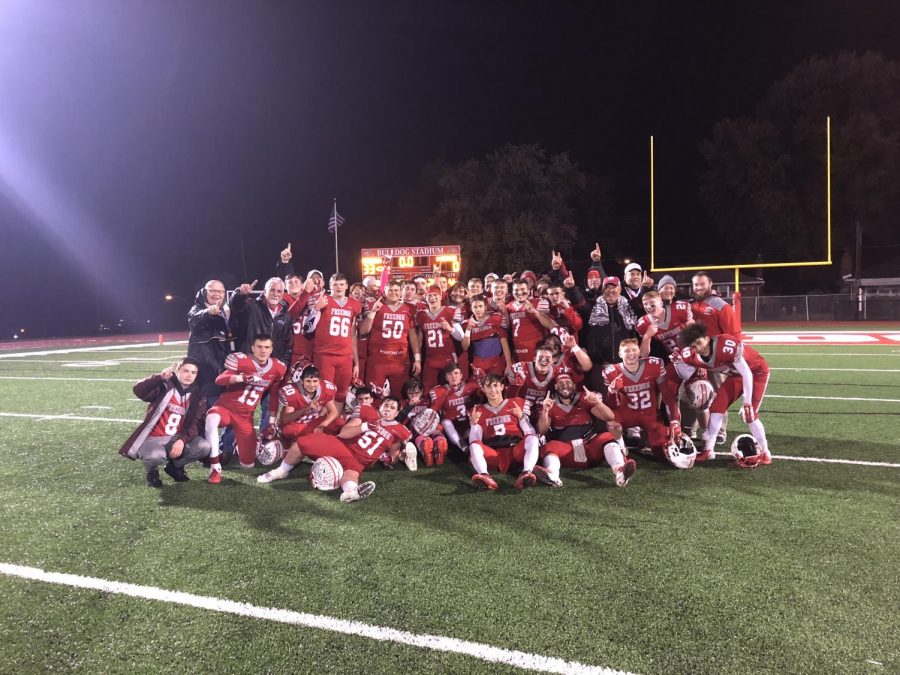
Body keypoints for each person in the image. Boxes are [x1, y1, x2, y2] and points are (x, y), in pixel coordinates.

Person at [257, 397, 412, 502]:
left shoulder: (400, 430)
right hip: (341, 447)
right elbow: (344, 433)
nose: (388, 409)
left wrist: (393, 458)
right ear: (380, 406)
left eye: (392, 408)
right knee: (303, 442)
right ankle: (281, 471)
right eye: (386, 405)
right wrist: (365, 426)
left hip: (359, 462)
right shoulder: (367, 412)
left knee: (351, 475)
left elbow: (393, 454)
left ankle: (351, 493)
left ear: (397, 413)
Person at [676, 324, 772, 464]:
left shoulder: (725, 345)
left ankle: (765, 453)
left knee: (749, 415)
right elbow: (686, 374)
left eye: (699, 342)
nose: (699, 348)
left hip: (756, 372)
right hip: (735, 376)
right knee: (716, 408)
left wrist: (747, 402)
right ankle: (709, 450)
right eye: (694, 346)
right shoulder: (691, 356)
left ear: (706, 338)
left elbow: (746, 372)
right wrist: (678, 362)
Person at [204, 333, 288, 482]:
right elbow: (219, 380)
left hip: (245, 416)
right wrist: (241, 377)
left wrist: (272, 422)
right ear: (253, 348)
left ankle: (239, 446)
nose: (263, 351)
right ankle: (215, 467)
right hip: (226, 408)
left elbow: (274, 395)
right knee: (211, 419)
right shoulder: (242, 361)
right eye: (259, 347)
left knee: (248, 464)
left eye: (267, 347)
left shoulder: (277, 367)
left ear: (271, 349)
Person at [118, 358, 210, 488]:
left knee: (203, 447)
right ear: (177, 370)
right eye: (185, 371)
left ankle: (174, 467)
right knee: (155, 456)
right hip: (153, 439)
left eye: (193, 373)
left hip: (177, 438)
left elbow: (195, 424)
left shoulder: (197, 396)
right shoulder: (164, 386)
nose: (189, 375)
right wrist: (159, 378)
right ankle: (152, 473)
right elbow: (138, 389)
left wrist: (182, 440)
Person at [535, 370, 634, 487]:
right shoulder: (550, 403)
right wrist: (545, 412)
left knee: (607, 437)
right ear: (556, 386)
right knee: (549, 447)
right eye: (561, 382)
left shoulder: (584, 398)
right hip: (567, 451)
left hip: (590, 448)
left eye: (568, 382)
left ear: (574, 385)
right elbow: (542, 431)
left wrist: (597, 403)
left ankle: (619, 471)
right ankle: (552, 475)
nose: (565, 385)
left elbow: (609, 417)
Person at [601, 338, 682, 468]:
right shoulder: (611, 372)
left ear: (639, 351)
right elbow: (610, 406)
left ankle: (651, 439)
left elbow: (668, 395)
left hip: (650, 414)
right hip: (626, 414)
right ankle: (622, 450)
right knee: (612, 422)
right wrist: (612, 390)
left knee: (661, 454)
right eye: (626, 351)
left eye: (634, 350)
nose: (631, 353)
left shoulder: (654, 364)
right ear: (620, 354)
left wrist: (675, 421)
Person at [467, 373, 540, 491]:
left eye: (495, 385)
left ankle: (526, 473)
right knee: (474, 446)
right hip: (493, 454)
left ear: (502, 387)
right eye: (488, 386)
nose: (492, 390)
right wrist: (474, 424)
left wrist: (521, 416)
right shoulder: (478, 410)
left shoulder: (516, 403)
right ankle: (485, 476)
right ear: (483, 389)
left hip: (515, 452)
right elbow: (474, 441)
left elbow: (529, 431)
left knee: (533, 438)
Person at [358, 279, 422, 397]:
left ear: (401, 291)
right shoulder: (376, 306)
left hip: (400, 360)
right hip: (378, 360)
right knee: (373, 397)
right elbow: (363, 331)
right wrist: (372, 312)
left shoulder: (409, 309)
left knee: (401, 397)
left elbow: (412, 336)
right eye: (390, 290)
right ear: (385, 292)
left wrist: (417, 359)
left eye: (396, 290)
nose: (394, 293)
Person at [579, 276, 638, 387]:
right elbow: (579, 303)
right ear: (602, 290)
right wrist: (571, 288)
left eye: (614, 287)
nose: (610, 291)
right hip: (600, 364)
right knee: (603, 398)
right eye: (607, 287)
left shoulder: (629, 307)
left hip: (625, 364)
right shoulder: (593, 307)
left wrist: (645, 288)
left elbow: (643, 304)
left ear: (620, 289)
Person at [312, 273, 362, 402]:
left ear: (346, 286)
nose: (338, 287)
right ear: (330, 286)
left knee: (341, 395)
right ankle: (323, 422)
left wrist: (356, 361)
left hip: (345, 356)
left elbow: (352, 335)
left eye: (341, 284)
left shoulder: (355, 305)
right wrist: (316, 308)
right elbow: (308, 325)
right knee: (323, 394)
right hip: (325, 354)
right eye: (335, 284)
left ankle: (335, 422)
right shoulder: (323, 301)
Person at [187, 280, 234, 400]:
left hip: (222, 371)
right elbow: (194, 321)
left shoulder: (225, 310)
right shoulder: (197, 308)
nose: (217, 294)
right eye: (212, 290)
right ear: (205, 292)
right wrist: (208, 312)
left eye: (220, 291)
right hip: (206, 374)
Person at [279, 364, 341, 442]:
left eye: (315, 381)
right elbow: (285, 419)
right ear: (301, 381)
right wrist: (306, 408)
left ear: (319, 381)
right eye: (308, 381)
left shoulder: (325, 389)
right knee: (289, 430)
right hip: (297, 425)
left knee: (339, 422)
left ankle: (321, 441)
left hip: (312, 423)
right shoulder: (294, 393)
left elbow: (334, 412)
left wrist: (323, 425)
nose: (312, 385)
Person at [415, 285, 459, 393]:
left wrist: (450, 329)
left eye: (435, 295)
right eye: (429, 295)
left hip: (448, 357)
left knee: (452, 390)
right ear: (425, 297)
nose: (432, 298)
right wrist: (418, 360)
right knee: (428, 390)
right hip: (430, 359)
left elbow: (460, 337)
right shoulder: (421, 315)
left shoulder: (451, 311)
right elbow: (420, 341)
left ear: (440, 297)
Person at [429, 362, 480, 453]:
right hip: (452, 426)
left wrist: (481, 378)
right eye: (450, 374)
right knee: (445, 422)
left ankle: (477, 446)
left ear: (461, 375)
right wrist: (444, 395)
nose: (453, 376)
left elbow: (485, 394)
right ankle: (464, 448)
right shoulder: (439, 390)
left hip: (469, 423)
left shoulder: (470, 386)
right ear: (446, 377)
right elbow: (433, 410)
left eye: (456, 373)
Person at [460, 294, 512, 377]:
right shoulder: (466, 323)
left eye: (480, 306)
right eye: (475, 307)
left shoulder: (496, 318)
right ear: (471, 308)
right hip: (479, 363)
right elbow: (464, 347)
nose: (478, 309)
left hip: (496, 362)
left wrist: (509, 364)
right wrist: (468, 330)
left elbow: (504, 342)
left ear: (486, 307)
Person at [506, 279, 553, 363]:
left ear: (528, 290)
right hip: (517, 349)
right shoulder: (508, 307)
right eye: (516, 290)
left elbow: (550, 325)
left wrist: (535, 312)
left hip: (535, 347)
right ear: (512, 292)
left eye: (522, 290)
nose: (519, 293)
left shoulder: (539, 302)